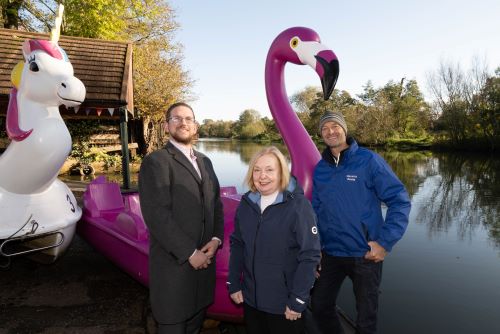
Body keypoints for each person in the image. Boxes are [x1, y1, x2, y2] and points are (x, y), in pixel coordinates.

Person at [311, 111, 411, 334]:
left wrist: (384, 242)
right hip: (331, 254)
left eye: (335, 126)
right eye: (325, 128)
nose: (330, 131)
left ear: (344, 130)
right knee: (319, 305)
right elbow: (315, 211)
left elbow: (400, 201)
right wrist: (315, 247)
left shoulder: (368, 160)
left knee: (366, 319)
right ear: (321, 134)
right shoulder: (321, 168)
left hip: (365, 254)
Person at [138, 102, 224, 334]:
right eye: (176, 118)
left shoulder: (206, 162)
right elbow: (157, 215)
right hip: (174, 273)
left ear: (195, 126)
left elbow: (216, 204)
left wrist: (216, 239)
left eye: (188, 119)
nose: (183, 122)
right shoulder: (156, 162)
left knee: (195, 327)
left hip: (203, 273)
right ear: (166, 126)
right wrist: (190, 253)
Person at [227, 146, 321, 334]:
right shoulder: (247, 203)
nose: (263, 176)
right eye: (257, 169)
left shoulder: (298, 206)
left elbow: (310, 255)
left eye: (270, 170)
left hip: (284, 304)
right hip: (251, 300)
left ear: (281, 172)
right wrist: (233, 283)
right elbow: (237, 244)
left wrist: (298, 300)